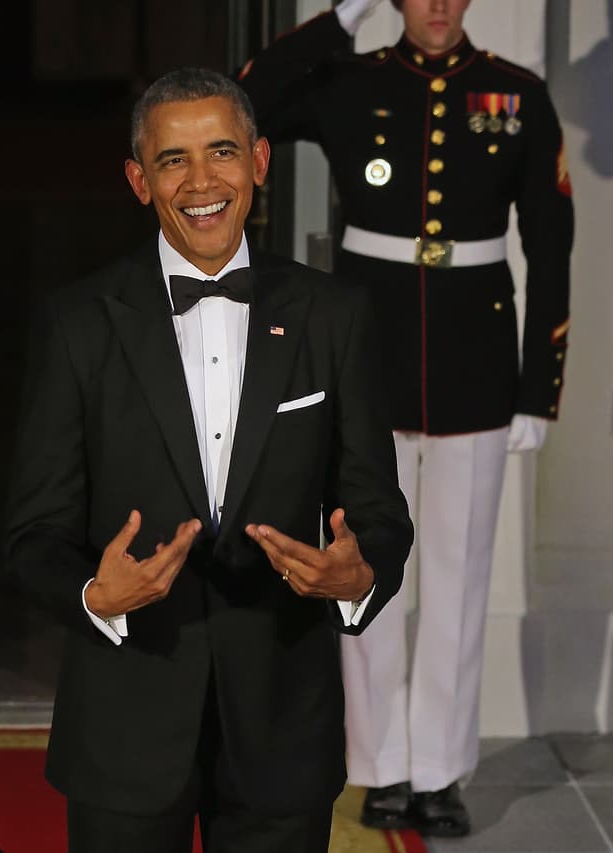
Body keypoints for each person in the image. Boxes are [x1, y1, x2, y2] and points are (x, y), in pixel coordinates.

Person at [3, 67, 413, 853]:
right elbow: (32, 531)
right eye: (172, 159)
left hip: (283, 723)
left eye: (221, 152)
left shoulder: (336, 315)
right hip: (123, 728)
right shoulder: (78, 324)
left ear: (260, 161)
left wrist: (358, 578)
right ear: (137, 179)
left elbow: (378, 512)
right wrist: (96, 591)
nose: (201, 182)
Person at [237, 0, 574, 836]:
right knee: (362, 564)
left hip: (477, 364)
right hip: (365, 360)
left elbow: (552, 245)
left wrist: (539, 388)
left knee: (458, 578)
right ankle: (379, 764)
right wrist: (337, 20)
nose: (435, 6)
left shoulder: (516, 95)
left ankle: (438, 772)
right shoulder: (349, 82)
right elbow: (246, 102)